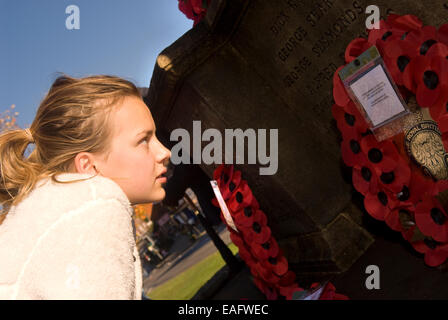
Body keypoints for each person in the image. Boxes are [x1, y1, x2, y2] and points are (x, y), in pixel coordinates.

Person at [0, 74, 171, 299]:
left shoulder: (49, 214)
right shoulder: (94, 210)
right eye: (143, 140)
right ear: (88, 166)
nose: (165, 153)